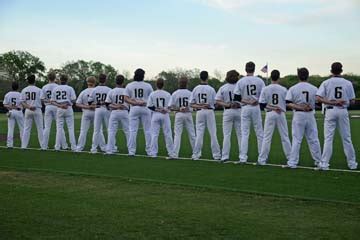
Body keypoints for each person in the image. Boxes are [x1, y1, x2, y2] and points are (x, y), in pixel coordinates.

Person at [316, 62, 357, 170]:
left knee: (328, 139)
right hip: (343, 110)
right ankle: (352, 163)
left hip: (330, 110)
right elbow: (352, 101)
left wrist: (331, 102)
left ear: (331, 71)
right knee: (346, 138)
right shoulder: (348, 83)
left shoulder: (326, 82)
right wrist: (343, 102)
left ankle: (324, 164)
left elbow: (318, 98)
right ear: (341, 70)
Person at [285, 68, 322, 168]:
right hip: (310, 114)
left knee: (297, 139)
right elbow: (319, 103)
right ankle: (319, 161)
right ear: (308, 75)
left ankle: (293, 162)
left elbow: (288, 103)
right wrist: (311, 106)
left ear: (298, 76)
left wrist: (300, 107)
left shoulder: (293, 88)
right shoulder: (314, 88)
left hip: (299, 115)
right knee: (313, 139)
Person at [257, 70, 291, 165]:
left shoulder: (265, 89)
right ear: (279, 77)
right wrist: (277, 107)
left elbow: (262, 105)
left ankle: (262, 159)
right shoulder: (284, 89)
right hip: (281, 113)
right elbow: (288, 103)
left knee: (267, 138)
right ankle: (291, 158)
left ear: (271, 77)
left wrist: (273, 107)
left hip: (270, 113)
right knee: (285, 137)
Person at [234, 62, 265, 163]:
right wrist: (256, 101)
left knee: (245, 133)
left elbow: (236, 97)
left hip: (245, 107)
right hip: (256, 107)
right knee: (259, 133)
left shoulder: (241, 81)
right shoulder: (260, 81)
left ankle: (243, 157)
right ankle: (261, 158)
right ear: (254, 69)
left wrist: (247, 101)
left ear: (245, 69)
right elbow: (264, 96)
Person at [190, 71, 221, 160]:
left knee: (199, 134)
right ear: (207, 77)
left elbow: (191, 104)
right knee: (213, 133)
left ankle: (196, 154)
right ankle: (216, 155)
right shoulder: (211, 89)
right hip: (209, 111)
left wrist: (200, 105)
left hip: (200, 112)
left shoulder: (196, 88)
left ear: (200, 77)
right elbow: (216, 103)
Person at [124, 68, 153, 156]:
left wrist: (135, 102)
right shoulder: (148, 85)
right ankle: (149, 151)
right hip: (145, 108)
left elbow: (125, 98)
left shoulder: (129, 85)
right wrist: (144, 102)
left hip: (134, 108)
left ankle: (131, 151)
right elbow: (152, 99)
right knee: (148, 130)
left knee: (132, 130)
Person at [215, 70, 242, 162]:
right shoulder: (240, 87)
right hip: (239, 110)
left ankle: (225, 156)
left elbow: (217, 101)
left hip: (228, 111)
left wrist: (227, 105)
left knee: (227, 135)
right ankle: (242, 156)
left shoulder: (223, 87)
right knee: (240, 135)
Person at [146, 78, 176, 158]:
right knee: (168, 134)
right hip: (165, 114)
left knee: (154, 134)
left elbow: (149, 106)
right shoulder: (167, 94)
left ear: (156, 84)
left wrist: (157, 109)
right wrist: (165, 109)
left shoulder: (152, 94)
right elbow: (171, 106)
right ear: (163, 84)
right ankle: (171, 153)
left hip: (155, 114)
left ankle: (153, 153)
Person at [75, 76, 105, 151]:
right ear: (95, 82)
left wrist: (87, 107)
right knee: (99, 130)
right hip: (96, 112)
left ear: (87, 82)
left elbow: (77, 104)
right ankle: (103, 147)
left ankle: (79, 147)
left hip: (86, 113)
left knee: (83, 131)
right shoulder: (97, 91)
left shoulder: (83, 92)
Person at [169, 77, 196, 158]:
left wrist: (178, 109)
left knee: (177, 135)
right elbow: (194, 106)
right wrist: (188, 108)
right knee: (192, 134)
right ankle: (196, 153)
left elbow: (170, 107)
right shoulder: (190, 93)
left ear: (179, 83)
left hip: (179, 114)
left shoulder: (175, 93)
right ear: (187, 83)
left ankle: (175, 154)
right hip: (188, 114)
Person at [41, 72, 68, 150]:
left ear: (48, 78)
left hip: (48, 107)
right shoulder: (58, 86)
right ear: (55, 78)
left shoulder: (44, 87)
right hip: (57, 106)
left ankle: (44, 146)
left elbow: (42, 99)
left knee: (47, 127)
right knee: (60, 126)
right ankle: (64, 145)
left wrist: (47, 102)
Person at [105, 75, 130, 155]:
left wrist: (116, 106)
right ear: (123, 82)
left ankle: (110, 149)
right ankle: (131, 149)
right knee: (127, 131)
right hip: (124, 112)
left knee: (111, 131)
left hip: (114, 112)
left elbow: (107, 104)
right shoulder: (127, 91)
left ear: (116, 81)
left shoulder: (112, 91)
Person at [51, 74, 77, 151]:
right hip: (68, 108)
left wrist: (60, 105)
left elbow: (52, 101)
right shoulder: (70, 88)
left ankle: (57, 147)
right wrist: (66, 104)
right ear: (67, 80)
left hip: (59, 109)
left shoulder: (55, 89)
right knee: (70, 128)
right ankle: (73, 147)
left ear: (60, 80)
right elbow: (74, 100)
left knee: (59, 129)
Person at [89, 74, 112, 153]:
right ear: (105, 80)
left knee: (96, 130)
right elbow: (111, 102)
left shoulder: (94, 89)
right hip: (106, 109)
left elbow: (89, 102)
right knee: (109, 129)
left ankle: (93, 149)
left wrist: (98, 104)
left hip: (98, 109)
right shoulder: (109, 89)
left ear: (99, 80)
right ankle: (110, 148)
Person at [20, 74, 44, 149]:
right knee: (40, 128)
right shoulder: (39, 90)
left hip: (28, 110)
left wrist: (29, 107)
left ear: (28, 81)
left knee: (26, 129)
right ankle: (43, 146)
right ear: (35, 81)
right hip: (37, 109)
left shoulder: (24, 90)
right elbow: (42, 101)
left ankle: (24, 146)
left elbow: (22, 102)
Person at [3, 81, 24, 148]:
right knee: (22, 128)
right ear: (18, 87)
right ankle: (24, 144)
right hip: (19, 112)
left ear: (11, 87)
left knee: (10, 129)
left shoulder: (8, 94)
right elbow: (23, 104)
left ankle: (9, 145)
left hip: (11, 112)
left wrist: (11, 107)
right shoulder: (20, 94)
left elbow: (4, 104)